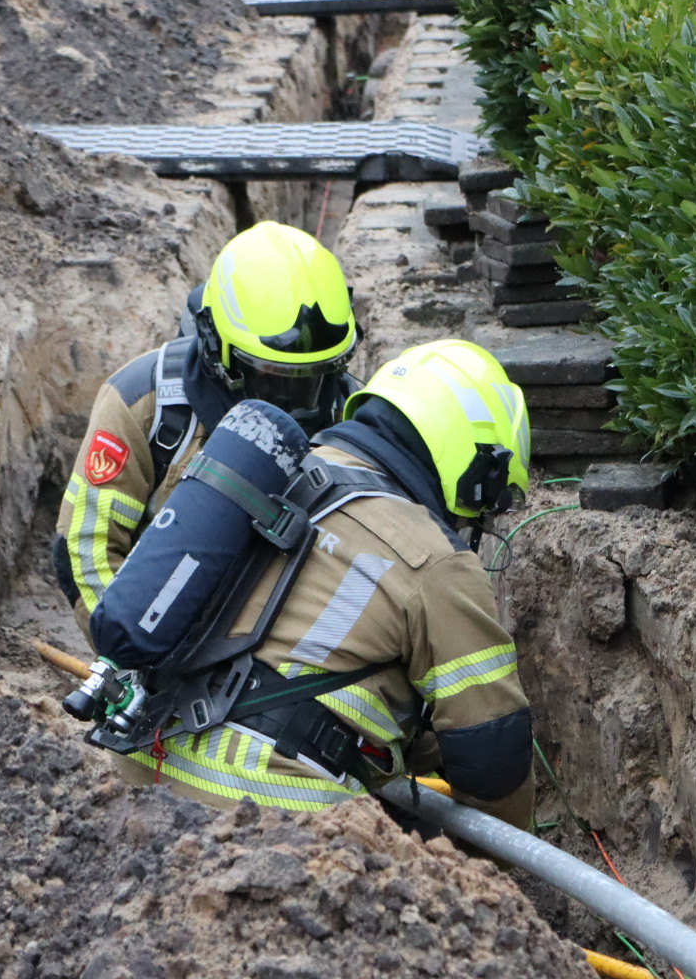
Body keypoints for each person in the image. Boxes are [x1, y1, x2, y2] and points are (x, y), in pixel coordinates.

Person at [95, 339, 536, 828]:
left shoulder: (271, 477)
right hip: (274, 823)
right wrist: (500, 880)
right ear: (478, 469)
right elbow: (494, 758)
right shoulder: (434, 560)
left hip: (133, 776)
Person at [54, 221, 359, 640]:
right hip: (167, 631)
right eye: (274, 376)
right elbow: (84, 551)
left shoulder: (351, 413)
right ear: (218, 349)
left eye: (318, 376)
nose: (301, 401)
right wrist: (131, 657)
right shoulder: (147, 405)